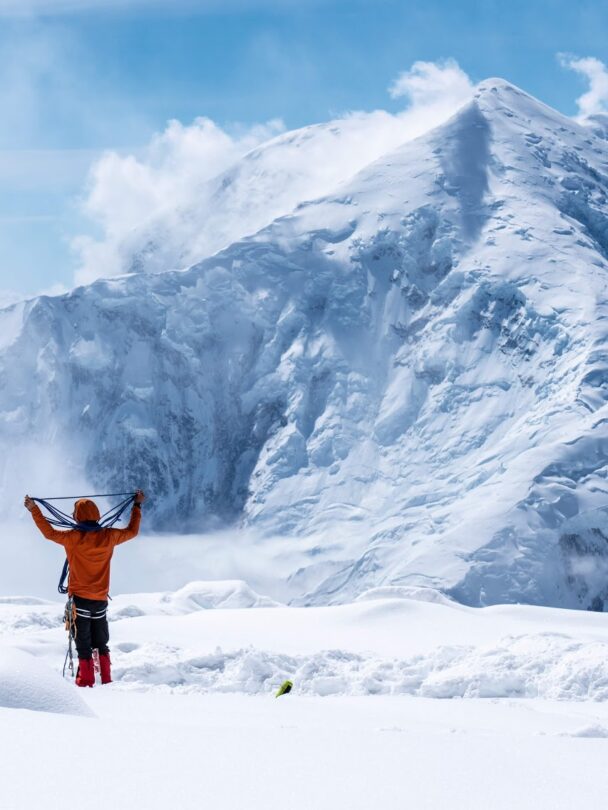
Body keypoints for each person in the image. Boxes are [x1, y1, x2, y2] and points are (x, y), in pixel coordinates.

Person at [24, 490, 145, 687]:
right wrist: (137, 506)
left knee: (83, 643)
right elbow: (132, 532)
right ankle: (105, 678)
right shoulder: (109, 536)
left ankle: (86, 679)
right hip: (100, 600)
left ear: (78, 517)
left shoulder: (73, 538)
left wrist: (33, 509)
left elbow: (49, 533)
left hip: (79, 600)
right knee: (101, 642)